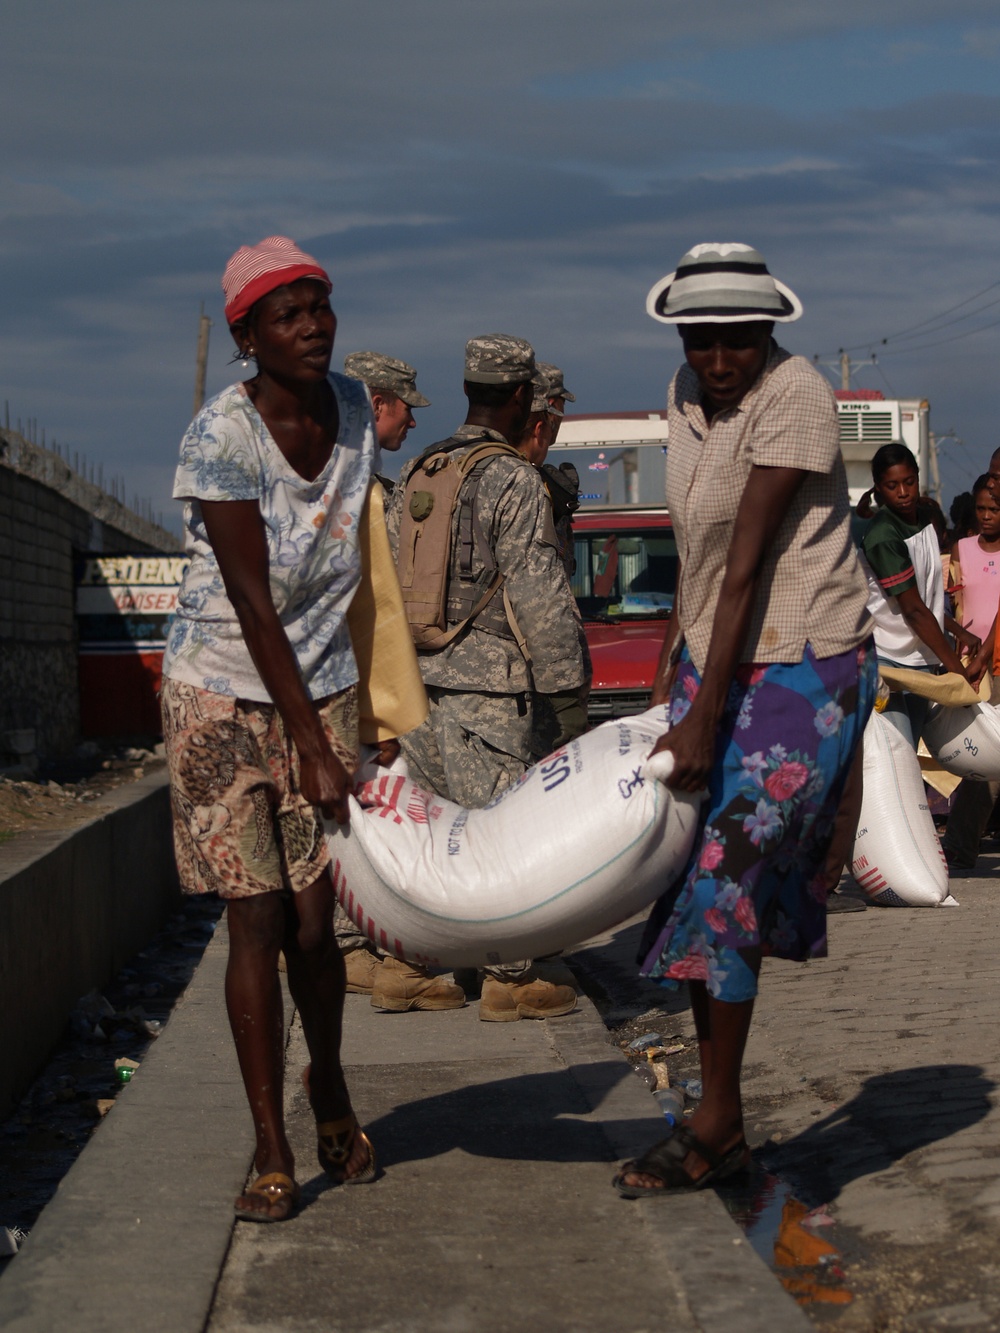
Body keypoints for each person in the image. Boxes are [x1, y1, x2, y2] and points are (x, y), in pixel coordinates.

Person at [613, 242, 877, 1196]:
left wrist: (704, 707)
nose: (721, 358)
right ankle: (716, 1111)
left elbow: (750, 562)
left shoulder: (797, 392)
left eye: (739, 339)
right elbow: (697, 551)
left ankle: (717, 1118)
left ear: (770, 331)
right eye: (705, 338)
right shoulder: (684, 393)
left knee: (725, 872)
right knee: (683, 875)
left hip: (805, 662)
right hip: (716, 658)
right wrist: (666, 682)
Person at [160, 235, 378, 1222]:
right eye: (288, 314)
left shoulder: (361, 411)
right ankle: (271, 1145)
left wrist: (363, 712)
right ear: (247, 335)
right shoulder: (220, 438)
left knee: (312, 923)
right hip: (220, 693)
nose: (312, 326)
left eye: (320, 306)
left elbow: (351, 565)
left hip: (319, 683)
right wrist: (316, 750)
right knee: (253, 915)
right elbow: (250, 598)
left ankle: (326, 1080)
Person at [386, 334, 590, 1021]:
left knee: (430, 837)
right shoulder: (511, 478)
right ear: (521, 397)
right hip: (489, 691)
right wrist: (567, 695)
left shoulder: (421, 468)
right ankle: (511, 976)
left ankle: (413, 965)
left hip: (416, 683)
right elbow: (538, 591)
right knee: (500, 835)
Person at [860, 443, 978, 751]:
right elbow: (912, 610)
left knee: (909, 756)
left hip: (919, 659)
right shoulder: (884, 536)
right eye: (892, 485)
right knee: (896, 755)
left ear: (917, 478)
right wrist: (957, 670)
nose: (902, 492)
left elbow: (927, 598)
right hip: (887, 663)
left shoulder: (924, 519)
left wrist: (955, 629)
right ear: (879, 488)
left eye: (909, 482)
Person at [943, 472, 1000, 870]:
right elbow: (950, 606)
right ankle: (960, 845)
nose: (986, 516)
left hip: (992, 661)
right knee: (981, 761)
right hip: (974, 671)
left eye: (994, 509)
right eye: (981, 509)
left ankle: (963, 843)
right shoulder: (962, 549)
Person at [342, 351, 429, 463]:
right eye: (407, 410)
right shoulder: (328, 470)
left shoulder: (331, 464)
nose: (412, 423)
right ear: (377, 406)